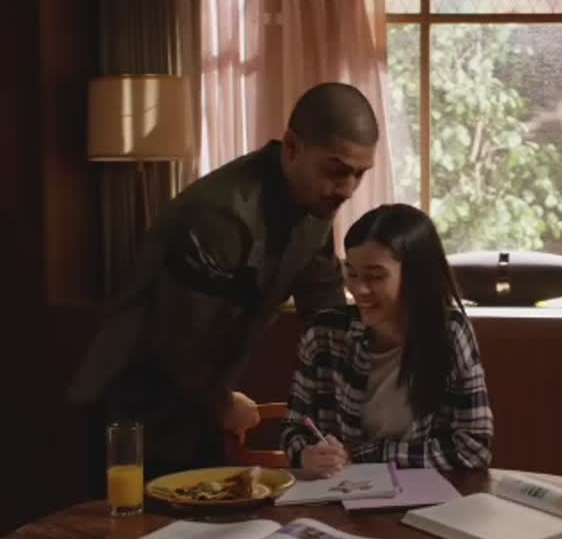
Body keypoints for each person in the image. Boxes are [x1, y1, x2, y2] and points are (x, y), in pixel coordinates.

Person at [68, 82, 378, 480]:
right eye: (336, 170)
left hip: (195, 411)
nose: (348, 189)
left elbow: (328, 318)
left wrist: (371, 387)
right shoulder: (219, 216)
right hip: (130, 407)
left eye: (359, 174)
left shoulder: (317, 200)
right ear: (291, 147)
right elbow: (178, 342)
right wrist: (222, 403)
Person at [280, 203, 493, 477]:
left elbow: (475, 447)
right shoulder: (323, 333)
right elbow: (295, 429)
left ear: (416, 276)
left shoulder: (449, 332)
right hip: (339, 490)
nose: (359, 289)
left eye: (375, 276)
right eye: (351, 273)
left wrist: (363, 454)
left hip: (425, 493)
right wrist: (305, 454)